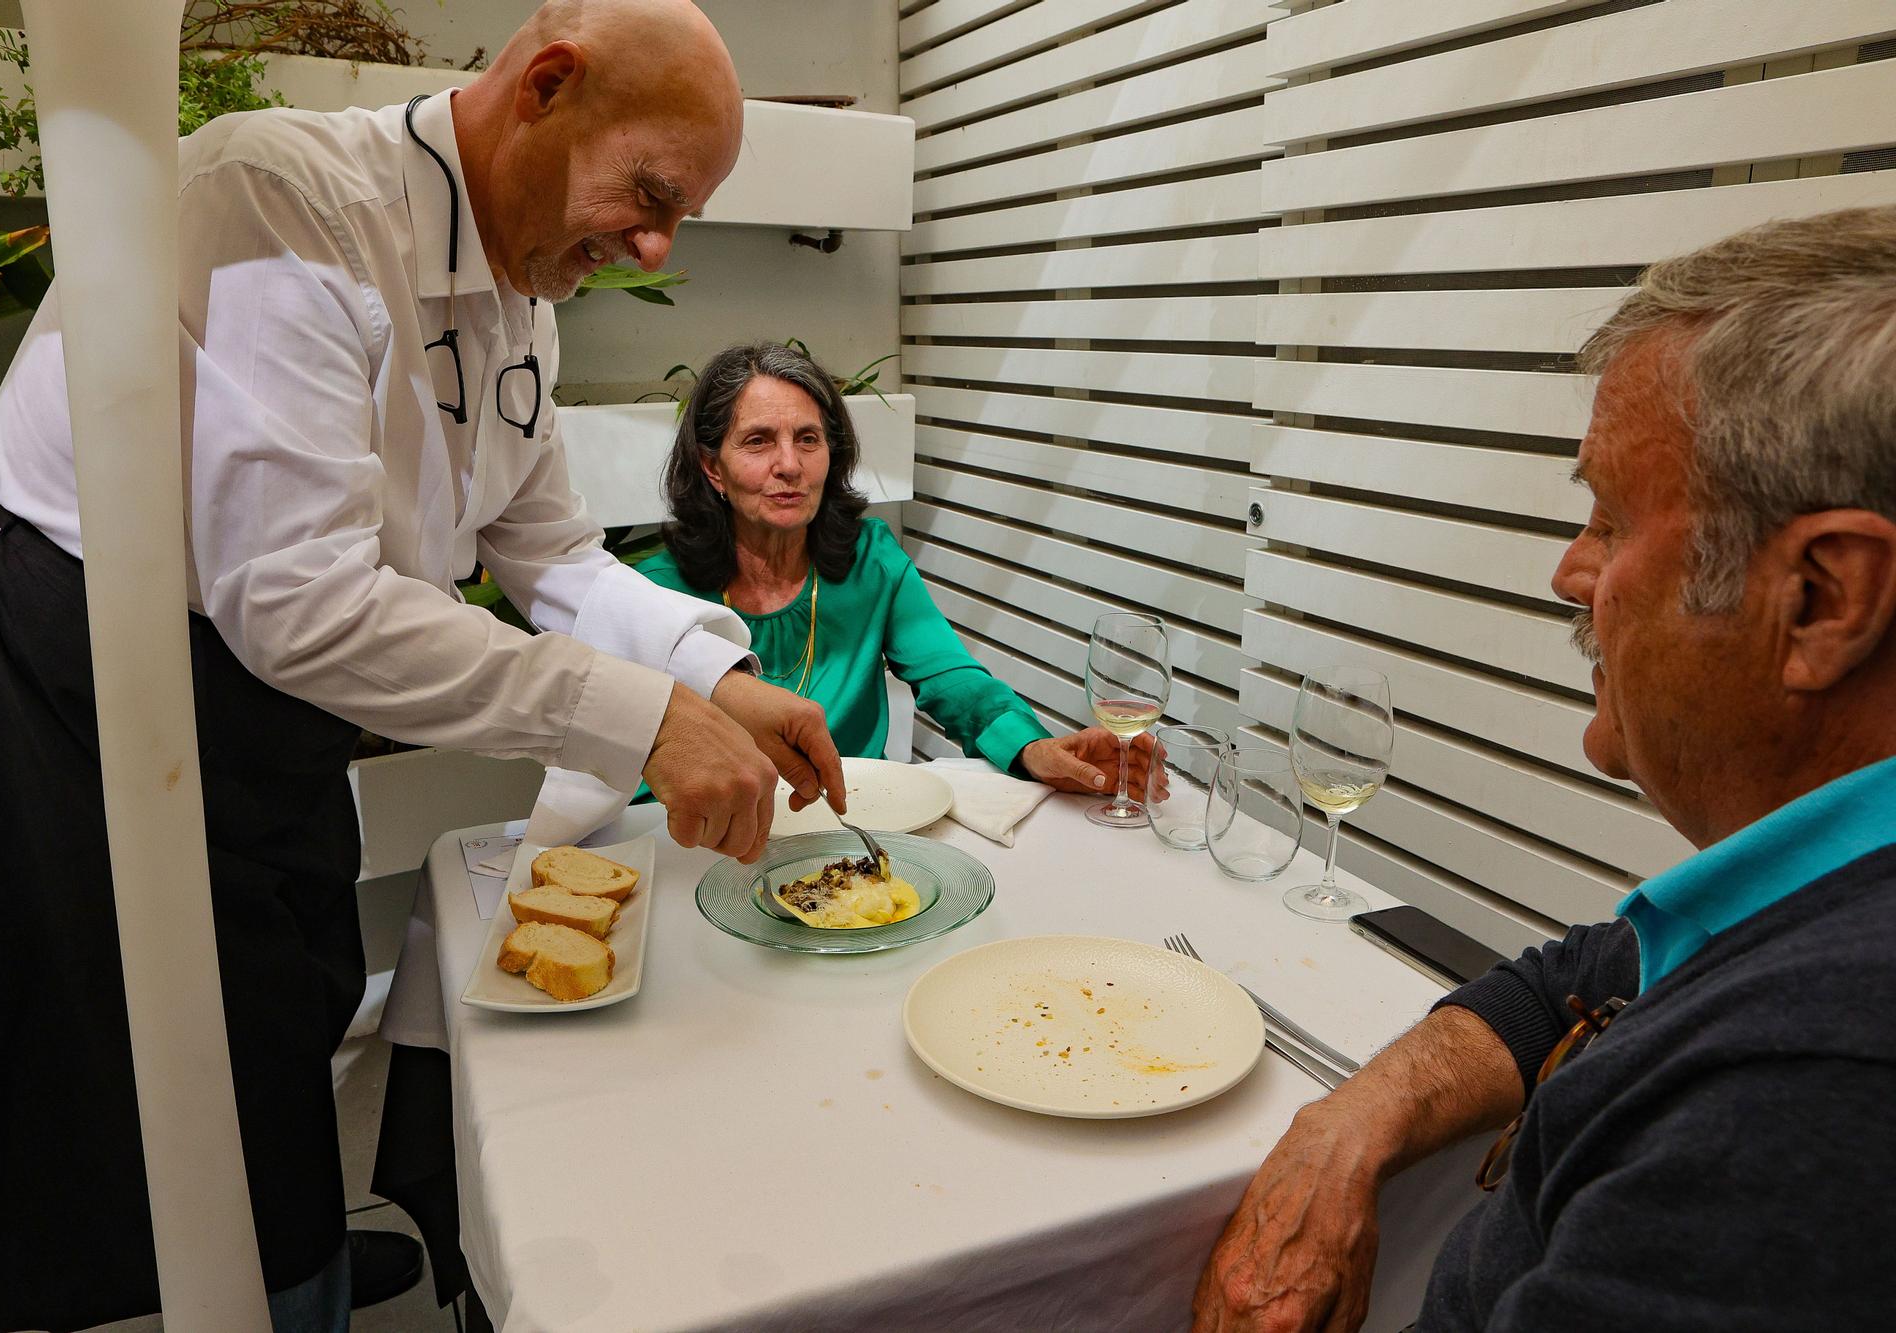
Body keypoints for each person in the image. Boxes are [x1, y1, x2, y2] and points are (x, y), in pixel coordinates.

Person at [0, 4, 848, 1330]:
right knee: (136, 1095)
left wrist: (718, 680)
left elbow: (550, 550)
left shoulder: (522, 298)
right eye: (649, 192)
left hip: (239, 687)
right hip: (63, 672)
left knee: (284, 1007)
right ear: (546, 85)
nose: (653, 245)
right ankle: (245, 1290)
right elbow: (298, 598)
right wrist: (641, 720)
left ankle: (298, 1252)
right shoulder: (283, 199)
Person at [1189, 204, 1896, 1333]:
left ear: (1820, 597)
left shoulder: (1807, 1092)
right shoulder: (1813, 901)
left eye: (1610, 521)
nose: (1570, 573)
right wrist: (1346, 1123)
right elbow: (1582, 975)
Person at [637, 341, 1153, 793]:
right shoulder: (654, 595)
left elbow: (954, 681)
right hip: (713, 838)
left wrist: (1033, 749)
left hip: (857, 824)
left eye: (809, 439)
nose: (790, 465)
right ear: (712, 468)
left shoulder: (872, 560)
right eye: (758, 441)